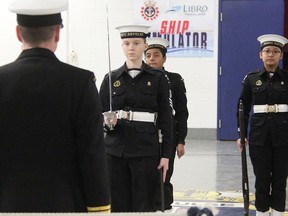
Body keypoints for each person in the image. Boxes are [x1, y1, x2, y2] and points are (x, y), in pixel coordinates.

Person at [0, 0, 110, 213]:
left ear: (18, 33)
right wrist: (99, 208)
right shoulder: (80, 83)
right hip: (64, 205)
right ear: (58, 34)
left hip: (7, 205)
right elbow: (92, 155)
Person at [99, 25, 173, 212]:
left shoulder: (158, 78)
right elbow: (98, 115)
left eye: (136, 43)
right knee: (117, 203)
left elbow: (166, 119)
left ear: (144, 46)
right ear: (122, 46)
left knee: (144, 202)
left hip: (145, 150)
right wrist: (107, 123)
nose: (131, 47)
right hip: (116, 150)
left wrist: (166, 155)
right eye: (126, 43)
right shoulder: (110, 78)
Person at [236, 34, 288, 216]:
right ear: (260, 55)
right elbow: (242, 107)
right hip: (259, 136)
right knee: (262, 180)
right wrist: (241, 134)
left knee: (280, 180)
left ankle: (279, 213)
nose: (271, 55)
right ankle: (262, 213)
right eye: (267, 51)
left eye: (275, 51)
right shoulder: (251, 79)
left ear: (281, 55)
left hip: (283, 136)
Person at [144, 37, 189, 211]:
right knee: (146, 176)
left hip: (167, 136)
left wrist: (181, 140)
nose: (152, 59)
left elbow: (182, 112)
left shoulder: (174, 80)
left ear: (164, 58)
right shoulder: (140, 79)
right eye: (148, 55)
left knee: (164, 176)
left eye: (156, 55)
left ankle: (164, 208)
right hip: (145, 136)